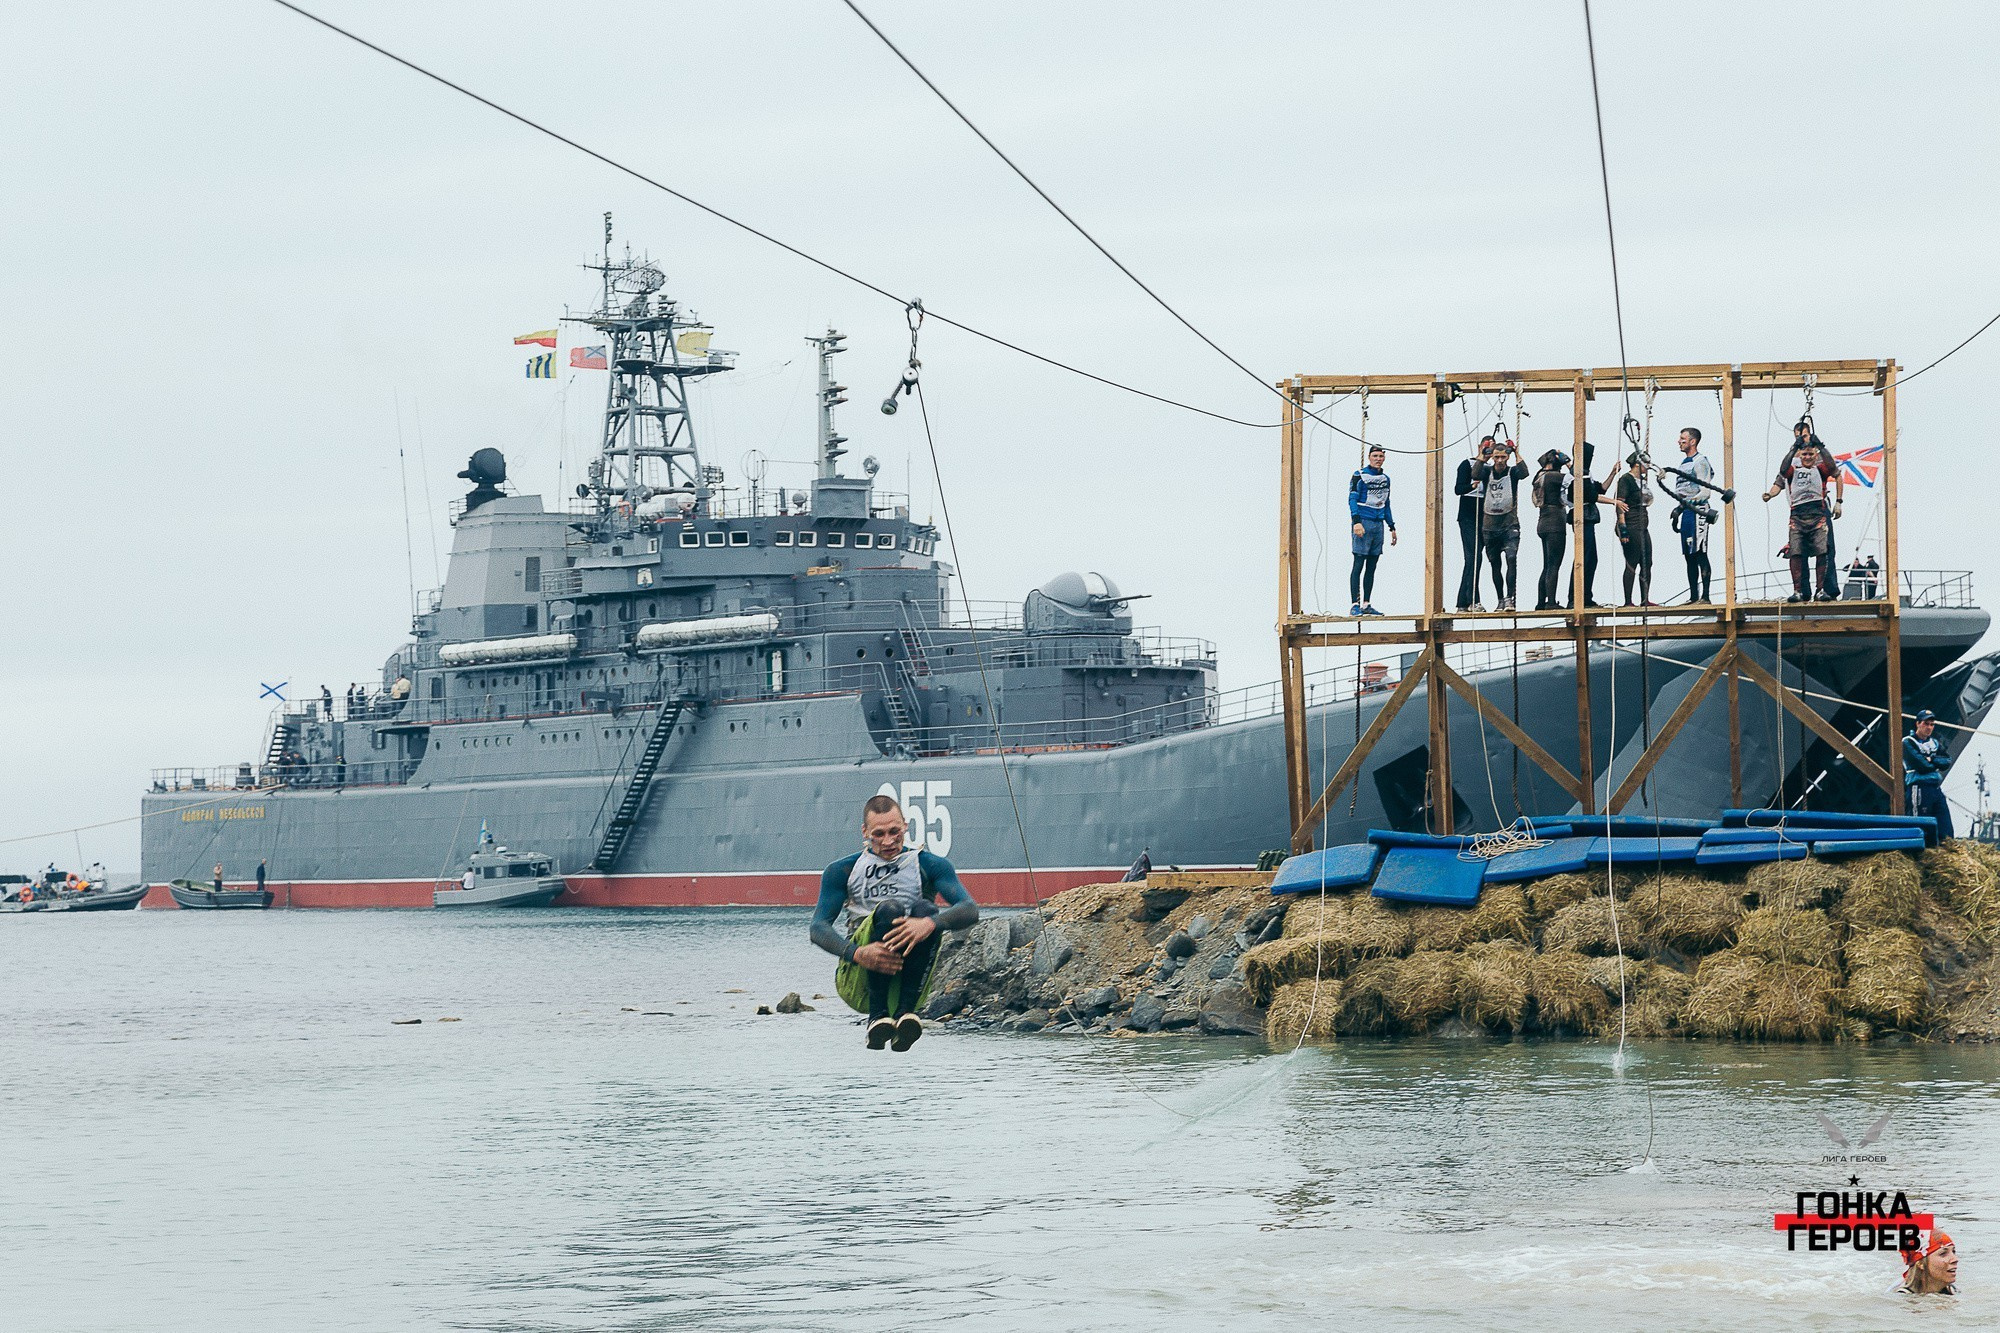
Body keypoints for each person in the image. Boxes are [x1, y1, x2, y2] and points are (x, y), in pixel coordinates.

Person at [811, 794, 980, 1050]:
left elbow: (969, 909)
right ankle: (876, 1018)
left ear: (905, 826)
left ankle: (905, 1015)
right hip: (861, 973)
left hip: (909, 975)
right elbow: (818, 927)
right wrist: (856, 953)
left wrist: (929, 924)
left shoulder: (929, 864)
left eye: (894, 831)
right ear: (865, 831)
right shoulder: (842, 870)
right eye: (878, 834)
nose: (888, 841)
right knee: (890, 909)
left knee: (926, 909)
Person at [1764, 436, 1843, 602]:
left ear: (1815, 456)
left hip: (1817, 515)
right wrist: (1793, 449)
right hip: (1798, 517)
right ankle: (1798, 590)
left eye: (1810, 454)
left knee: (1822, 552)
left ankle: (1820, 589)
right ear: (1800, 456)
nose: (1807, 457)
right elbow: (1783, 470)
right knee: (1796, 553)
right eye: (1804, 454)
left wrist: (1821, 446)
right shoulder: (1794, 470)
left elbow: (1832, 467)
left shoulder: (1820, 470)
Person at [1472, 439, 1529, 611]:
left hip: (1509, 523)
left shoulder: (1512, 473)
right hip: (1490, 526)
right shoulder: (1486, 472)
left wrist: (1516, 452)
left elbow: (1525, 472)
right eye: (1496, 457)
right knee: (1495, 564)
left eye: (1503, 457)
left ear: (1508, 458)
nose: (1499, 461)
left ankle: (1509, 598)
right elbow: (1474, 473)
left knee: (1511, 558)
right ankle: (1500, 599)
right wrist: (1483, 455)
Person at [1667, 427, 1715, 604]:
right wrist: (1679, 510)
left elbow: (1705, 492)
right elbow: (1683, 491)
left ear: (1692, 441)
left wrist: (1688, 504)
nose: (1679, 441)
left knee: (1700, 552)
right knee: (1689, 555)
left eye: (1683, 438)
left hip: (1698, 511)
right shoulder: (1683, 463)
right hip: (1686, 511)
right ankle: (1693, 596)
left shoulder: (1700, 461)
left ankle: (1705, 596)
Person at [1348, 444, 1398, 615]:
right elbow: (1352, 499)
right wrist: (1356, 521)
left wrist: (1392, 526)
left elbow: (1387, 502)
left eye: (1381, 456)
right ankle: (1355, 604)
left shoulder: (1385, 478)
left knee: (1372, 565)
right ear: (1369, 457)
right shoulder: (1359, 475)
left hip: (1378, 524)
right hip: (1364, 521)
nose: (1378, 459)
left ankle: (1366, 603)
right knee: (1359, 563)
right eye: (1375, 456)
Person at [1567, 442, 1613, 608]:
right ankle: (1576, 598)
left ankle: (1585, 596)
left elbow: (1600, 489)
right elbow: (1592, 495)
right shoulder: (1578, 473)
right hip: (1582, 518)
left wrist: (1613, 473)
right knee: (1584, 558)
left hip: (1587, 518)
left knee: (1590, 558)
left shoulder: (1586, 472)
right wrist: (1614, 502)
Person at [1903, 710, 1955, 840]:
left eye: (1932, 724)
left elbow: (1947, 761)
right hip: (1919, 787)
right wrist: (1935, 762)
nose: (1929, 727)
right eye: (1926, 724)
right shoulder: (1908, 742)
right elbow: (1921, 765)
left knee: (1945, 825)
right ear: (1918, 724)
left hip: (1935, 787)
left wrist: (1931, 760)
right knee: (1921, 825)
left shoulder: (1935, 743)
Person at [1614, 450, 1657, 607]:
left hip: (1642, 526)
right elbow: (1620, 504)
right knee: (1632, 561)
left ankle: (1645, 599)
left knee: (1647, 562)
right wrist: (1622, 527)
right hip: (1631, 524)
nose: (1648, 468)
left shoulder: (1641, 481)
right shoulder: (1626, 480)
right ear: (1638, 464)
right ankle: (1628, 601)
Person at [1530, 450, 1569, 611]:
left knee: (1547, 564)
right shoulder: (1555, 477)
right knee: (1554, 564)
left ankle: (1541, 602)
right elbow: (1577, 476)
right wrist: (1568, 460)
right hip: (1555, 521)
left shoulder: (1539, 475)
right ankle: (1551, 602)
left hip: (1543, 520)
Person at [1454, 440, 1491, 611]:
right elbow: (1458, 489)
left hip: (1484, 515)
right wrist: (1471, 485)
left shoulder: (1490, 469)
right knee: (1474, 557)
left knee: (1473, 559)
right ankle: (1473, 599)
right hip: (1468, 515)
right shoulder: (1466, 464)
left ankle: (1463, 601)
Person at [1896, 1228, 1958, 1295]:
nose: (1955, 1259)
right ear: (1920, 1263)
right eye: (1943, 1254)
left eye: (1953, 1251)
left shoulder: (1953, 1291)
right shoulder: (1903, 1297)